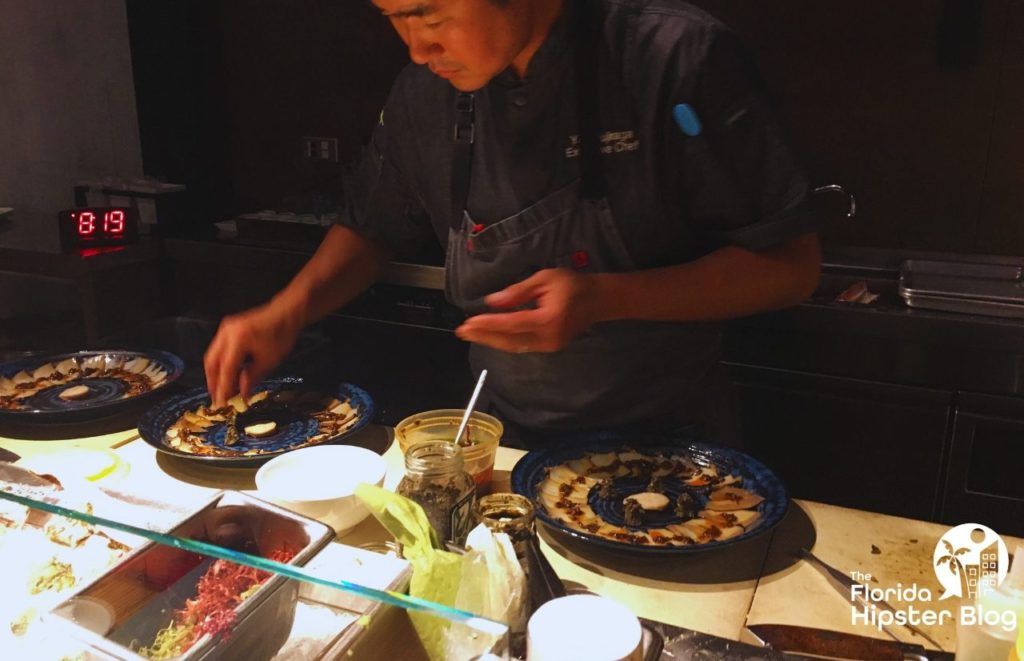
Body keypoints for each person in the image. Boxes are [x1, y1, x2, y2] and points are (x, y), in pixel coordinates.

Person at [204, 0, 824, 447]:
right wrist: (286, 311)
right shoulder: (424, 93)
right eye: (393, 18)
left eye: (430, 15)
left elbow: (791, 267)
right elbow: (374, 225)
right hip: (502, 436)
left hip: (673, 436)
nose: (417, 49)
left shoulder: (675, 58)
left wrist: (605, 298)